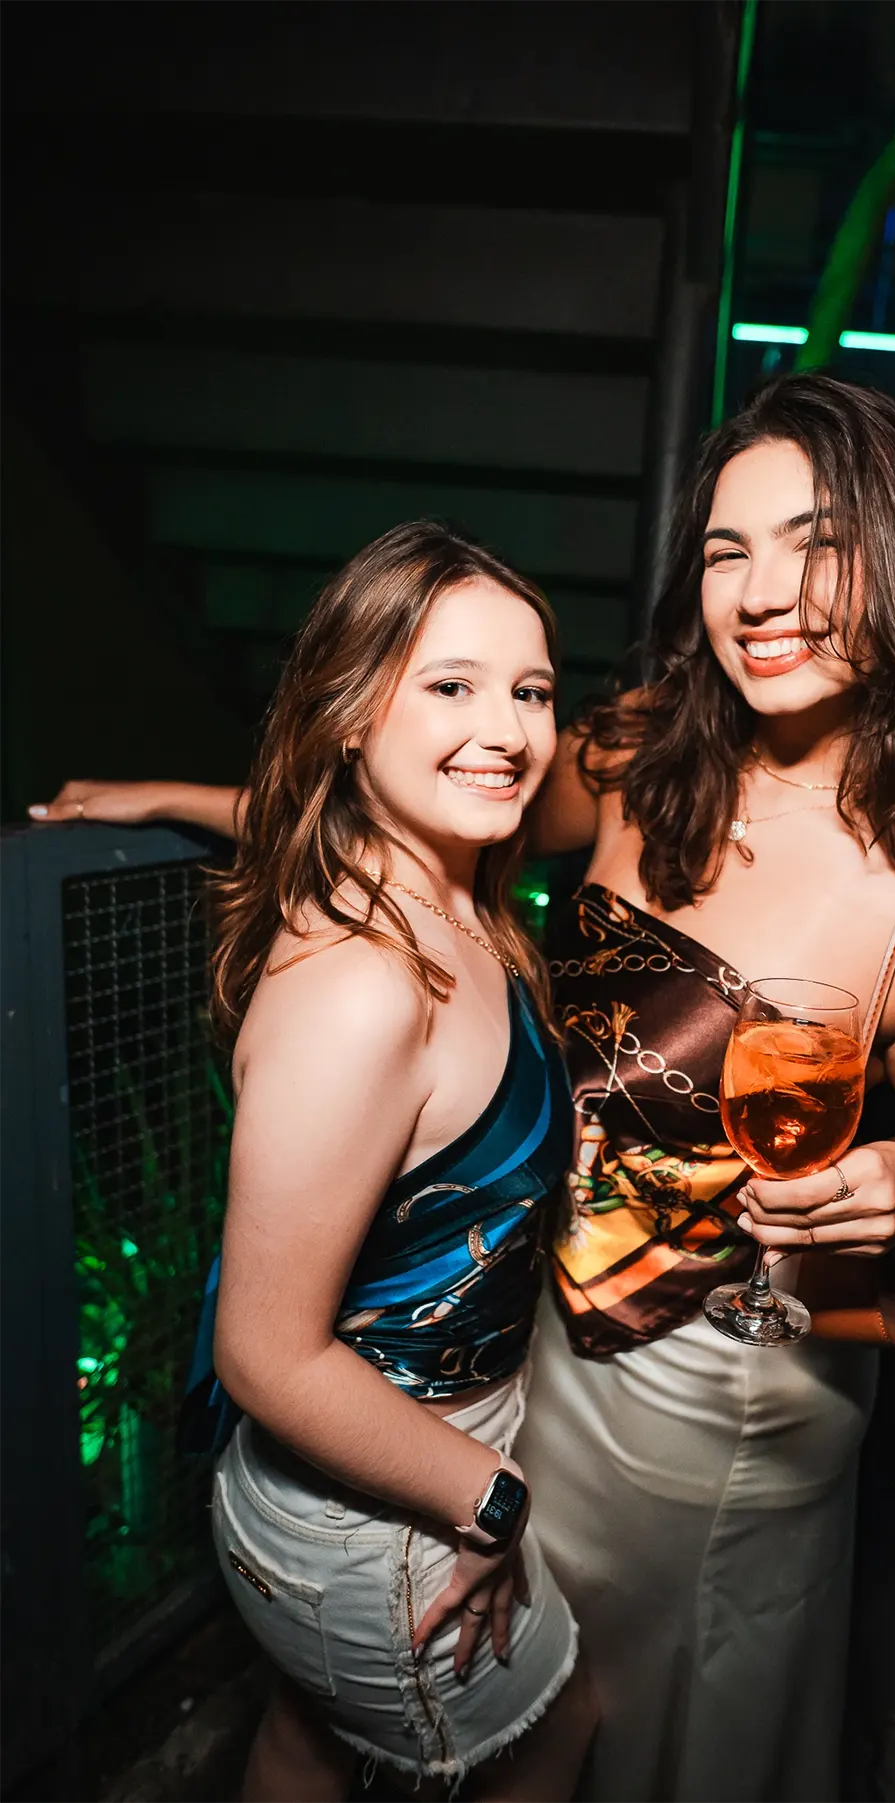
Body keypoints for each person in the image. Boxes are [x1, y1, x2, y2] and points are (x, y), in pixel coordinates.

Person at [33, 375, 895, 1803]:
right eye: (727, 548)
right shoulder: (638, 759)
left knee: (652, 1720)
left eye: (816, 543)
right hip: (531, 1355)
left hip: (721, 1393)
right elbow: (428, 813)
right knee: (504, 1704)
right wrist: (171, 800)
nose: (763, 592)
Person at [171, 523, 594, 1802]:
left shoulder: (457, 900)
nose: (507, 731)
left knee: (307, 1738)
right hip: (384, 1514)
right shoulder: (364, 988)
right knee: (561, 1738)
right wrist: (490, 1500)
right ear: (352, 713)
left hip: (386, 1477)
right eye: (451, 685)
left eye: (531, 691)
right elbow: (265, 1353)